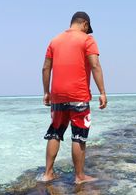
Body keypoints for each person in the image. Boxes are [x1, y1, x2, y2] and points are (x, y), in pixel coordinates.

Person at [41, 11, 107, 184]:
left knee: (55, 132)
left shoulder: (54, 40)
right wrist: (102, 92)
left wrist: (46, 92)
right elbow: (95, 65)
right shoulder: (87, 40)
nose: (87, 31)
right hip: (78, 95)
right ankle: (79, 177)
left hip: (57, 95)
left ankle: (47, 173)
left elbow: (45, 68)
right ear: (84, 24)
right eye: (87, 28)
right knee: (78, 135)